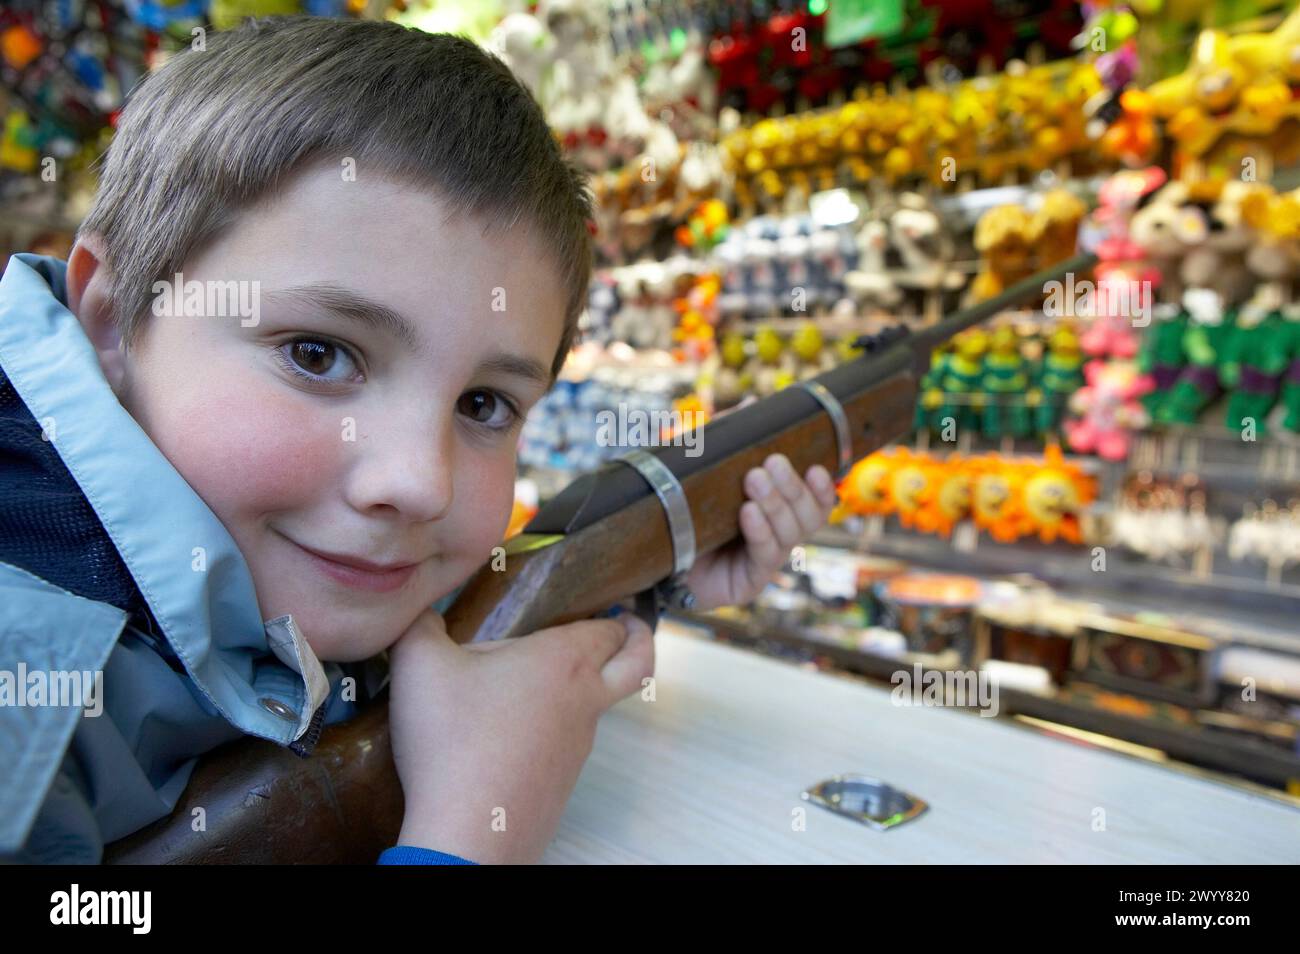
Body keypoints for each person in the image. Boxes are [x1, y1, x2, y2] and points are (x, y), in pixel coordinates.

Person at [0, 16, 837, 865]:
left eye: (483, 404)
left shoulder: (297, 560)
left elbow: (466, 620)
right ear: (109, 317)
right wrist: (465, 839)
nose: (419, 484)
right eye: (318, 355)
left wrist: (663, 567)